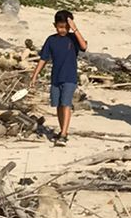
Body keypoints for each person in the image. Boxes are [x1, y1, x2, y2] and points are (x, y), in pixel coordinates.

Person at [29, 9, 88, 145]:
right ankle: (62, 130)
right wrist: (35, 75)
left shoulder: (73, 38)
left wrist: (75, 29)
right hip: (55, 78)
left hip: (70, 78)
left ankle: (63, 133)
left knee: (66, 104)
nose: (63, 30)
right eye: (60, 27)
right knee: (58, 105)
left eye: (66, 27)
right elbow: (43, 59)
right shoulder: (51, 40)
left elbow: (84, 46)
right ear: (54, 25)